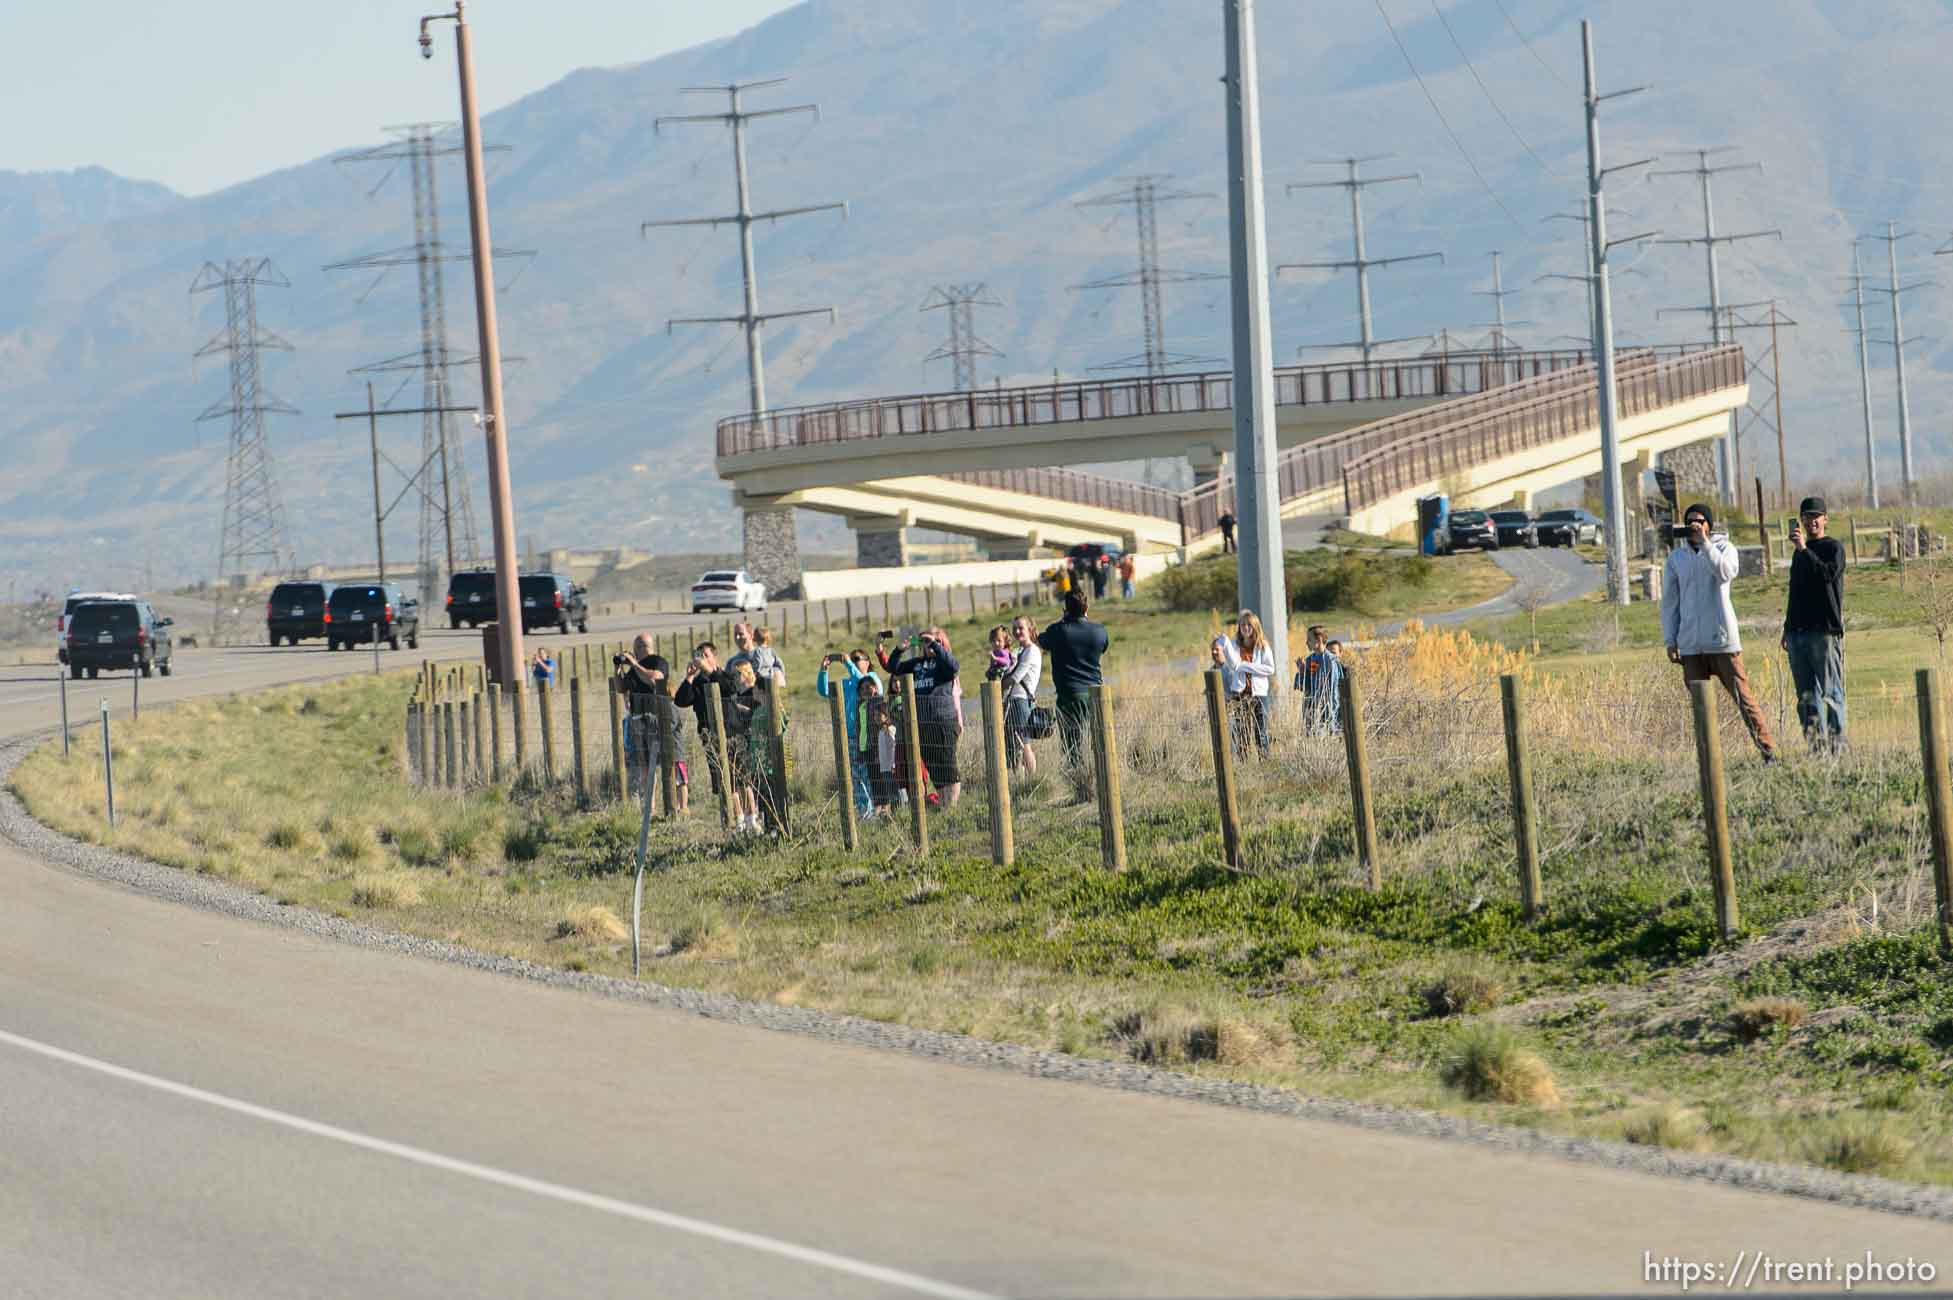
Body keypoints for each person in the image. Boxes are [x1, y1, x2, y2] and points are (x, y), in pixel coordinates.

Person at [1662, 503, 1778, 762]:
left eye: (1700, 521)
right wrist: (1671, 639)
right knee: (1701, 707)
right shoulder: (1676, 559)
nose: (1695, 524)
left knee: (1743, 699)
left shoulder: (1724, 549)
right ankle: (1710, 760)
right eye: (1690, 521)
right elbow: (1670, 602)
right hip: (1691, 644)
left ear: (1709, 525)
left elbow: (1726, 573)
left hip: (1722, 640)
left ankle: (1768, 752)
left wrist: (1705, 544)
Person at [1782, 495, 1847, 750]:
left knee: (1831, 693)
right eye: (1807, 517)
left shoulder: (1834, 548)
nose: (1811, 522)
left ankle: (1837, 749)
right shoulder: (1799, 555)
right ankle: (1816, 751)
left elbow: (1827, 576)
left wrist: (1804, 550)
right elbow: (1795, 592)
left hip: (1823, 632)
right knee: (1806, 698)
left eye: (1816, 517)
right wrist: (1787, 628)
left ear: (1825, 519)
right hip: (1797, 634)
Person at [879, 628, 962, 806]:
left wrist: (935, 645)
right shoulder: (916, 664)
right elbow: (893, 668)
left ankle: (952, 807)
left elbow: (954, 667)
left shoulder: (944, 663)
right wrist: (900, 649)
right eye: (925, 641)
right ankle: (945, 805)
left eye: (936, 641)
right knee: (935, 770)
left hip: (943, 722)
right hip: (922, 725)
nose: (930, 644)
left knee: (948, 768)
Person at [1038, 591, 1109, 776]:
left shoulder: (1058, 630)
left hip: (1070, 695)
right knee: (1098, 740)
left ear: (1065, 610)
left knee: (1072, 745)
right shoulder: (1100, 631)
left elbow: (1042, 641)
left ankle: (1078, 780)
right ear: (1087, 608)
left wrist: (1063, 621)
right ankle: (1101, 776)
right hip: (1096, 693)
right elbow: (1104, 646)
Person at [674, 642, 734, 810]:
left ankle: (743, 815)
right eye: (699, 656)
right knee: (718, 777)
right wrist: (690, 677)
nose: (702, 659)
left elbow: (729, 689)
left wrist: (708, 670)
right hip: (708, 735)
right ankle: (727, 813)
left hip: (731, 734)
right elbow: (681, 700)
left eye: (706, 655)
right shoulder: (699, 681)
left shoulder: (725, 674)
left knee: (735, 778)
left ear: (715, 657)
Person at [613, 634, 673, 800]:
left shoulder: (658, 661)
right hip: (637, 718)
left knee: (662, 763)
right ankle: (650, 807)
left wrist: (634, 663)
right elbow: (620, 688)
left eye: (639, 646)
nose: (636, 650)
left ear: (647, 647)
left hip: (655, 717)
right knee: (644, 765)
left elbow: (654, 679)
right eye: (634, 647)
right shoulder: (633, 668)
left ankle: (671, 804)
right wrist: (618, 669)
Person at [818, 648, 877, 816]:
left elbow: (865, 683)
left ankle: (874, 811)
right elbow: (825, 691)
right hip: (849, 737)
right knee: (855, 777)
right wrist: (824, 670)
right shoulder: (847, 683)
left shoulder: (872, 679)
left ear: (867, 662)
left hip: (868, 737)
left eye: (857, 658)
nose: (854, 661)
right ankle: (863, 812)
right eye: (852, 659)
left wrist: (848, 663)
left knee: (868, 775)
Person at [1213, 609, 1275, 757]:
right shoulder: (1234, 645)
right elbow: (1234, 665)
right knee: (1241, 732)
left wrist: (1245, 666)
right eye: (1242, 625)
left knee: (1261, 732)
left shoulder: (1262, 646)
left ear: (1255, 627)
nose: (1246, 628)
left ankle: (1264, 761)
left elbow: (1270, 669)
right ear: (1239, 628)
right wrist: (1224, 643)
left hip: (1259, 694)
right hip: (1239, 694)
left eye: (1249, 625)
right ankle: (1243, 763)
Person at [721, 661, 765, 833]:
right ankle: (743, 819)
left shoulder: (754, 693)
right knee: (737, 781)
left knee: (747, 782)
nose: (734, 678)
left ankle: (752, 817)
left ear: (746, 673)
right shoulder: (735, 694)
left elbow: (756, 715)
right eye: (732, 674)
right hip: (736, 741)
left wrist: (740, 708)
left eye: (737, 674)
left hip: (752, 742)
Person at [1002, 615, 1042, 774]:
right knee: (1013, 743)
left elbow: (1015, 678)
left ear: (1030, 630)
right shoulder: (1019, 651)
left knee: (1024, 743)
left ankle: (1032, 779)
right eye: (1015, 629)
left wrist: (999, 684)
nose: (1017, 631)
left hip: (1021, 700)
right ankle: (1018, 778)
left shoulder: (1032, 651)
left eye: (1021, 628)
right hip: (1013, 700)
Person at [1295, 625, 1343, 735]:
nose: (1307, 643)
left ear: (1319, 640)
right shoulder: (1312, 660)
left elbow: (1333, 691)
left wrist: (1331, 716)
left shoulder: (1330, 661)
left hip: (1328, 714)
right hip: (1312, 712)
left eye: (1309, 639)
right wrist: (1302, 671)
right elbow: (1307, 686)